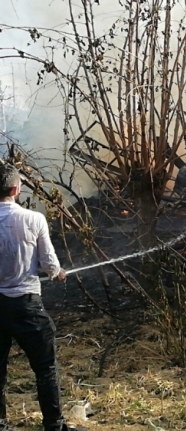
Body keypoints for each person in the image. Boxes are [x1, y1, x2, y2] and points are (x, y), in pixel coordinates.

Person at [0, 164, 85, 431]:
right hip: (26, 306)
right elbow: (49, 262)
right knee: (45, 367)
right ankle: (54, 426)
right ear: (16, 189)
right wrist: (58, 272)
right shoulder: (33, 219)